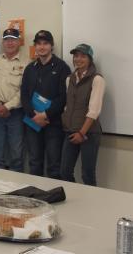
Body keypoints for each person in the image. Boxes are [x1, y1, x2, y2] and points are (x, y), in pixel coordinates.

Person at [21, 30, 71, 179]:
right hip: (32, 122)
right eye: (39, 44)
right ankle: (35, 199)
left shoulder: (62, 67)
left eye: (45, 44)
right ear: (35, 46)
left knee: (54, 166)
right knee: (35, 163)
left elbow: (63, 97)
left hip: (53, 123)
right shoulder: (30, 68)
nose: (42, 47)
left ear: (51, 46)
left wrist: (45, 114)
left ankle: (52, 198)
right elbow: (24, 95)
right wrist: (33, 115)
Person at [0, 28, 29, 172]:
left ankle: (17, 189)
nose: (10, 43)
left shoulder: (27, 63)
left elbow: (25, 91)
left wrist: (7, 107)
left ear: (19, 42)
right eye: (7, 39)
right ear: (3, 42)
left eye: (13, 39)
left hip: (16, 114)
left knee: (16, 155)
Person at [60, 44, 105, 186]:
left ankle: (92, 205)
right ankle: (76, 200)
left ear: (90, 59)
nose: (78, 59)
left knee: (87, 173)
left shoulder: (97, 79)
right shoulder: (70, 79)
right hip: (70, 131)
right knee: (65, 172)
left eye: (83, 56)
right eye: (76, 56)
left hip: (89, 133)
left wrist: (81, 133)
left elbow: (94, 110)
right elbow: (69, 105)